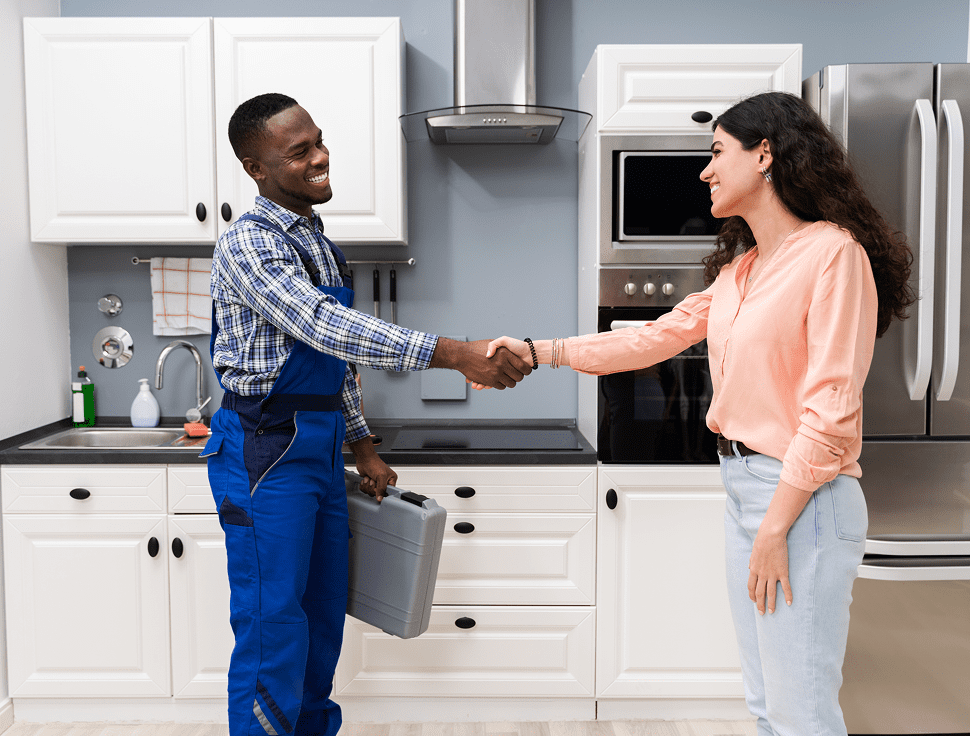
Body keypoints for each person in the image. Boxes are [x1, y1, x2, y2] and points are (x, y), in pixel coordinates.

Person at [480, 92, 915, 736]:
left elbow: (831, 412)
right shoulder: (744, 269)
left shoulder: (833, 254)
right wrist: (539, 351)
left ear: (764, 153)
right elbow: (654, 336)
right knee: (769, 704)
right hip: (748, 491)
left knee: (802, 712)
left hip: (802, 500)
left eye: (716, 153)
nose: (705, 171)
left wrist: (774, 528)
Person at [203, 92, 532, 736]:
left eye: (319, 141)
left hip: (318, 448)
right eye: (299, 151)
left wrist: (362, 445)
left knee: (324, 617)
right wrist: (455, 353)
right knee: (274, 625)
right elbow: (323, 325)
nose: (321, 157)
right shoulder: (249, 243)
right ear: (255, 168)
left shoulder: (316, 242)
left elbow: (332, 362)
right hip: (265, 452)